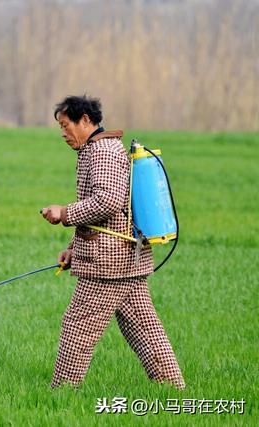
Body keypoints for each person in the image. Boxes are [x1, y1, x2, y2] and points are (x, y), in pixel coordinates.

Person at [41, 95, 185, 389]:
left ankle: (61, 393)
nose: (63, 134)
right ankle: (173, 388)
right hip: (125, 258)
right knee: (144, 328)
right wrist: (73, 249)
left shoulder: (103, 151)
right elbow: (102, 213)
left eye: (66, 126)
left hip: (109, 263)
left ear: (85, 120)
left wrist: (64, 212)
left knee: (77, 326)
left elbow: (108, 201)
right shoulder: (97, 149)